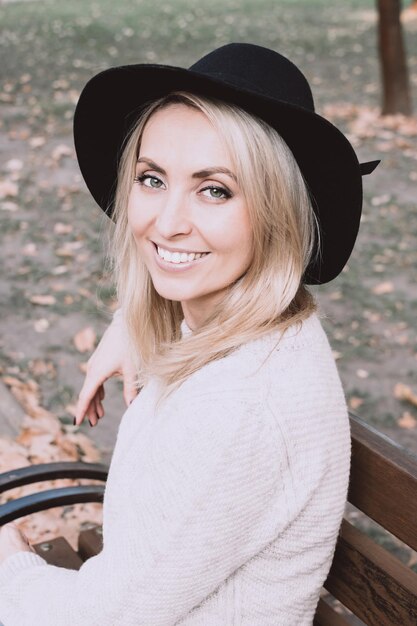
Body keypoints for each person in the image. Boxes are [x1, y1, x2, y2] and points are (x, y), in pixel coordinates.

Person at [0, 43, 379, 625]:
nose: (166, 221)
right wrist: (131, 321)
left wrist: (9, 567)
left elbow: (103, 617)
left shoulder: (241, 405)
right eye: (152, 179)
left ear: (278, 212)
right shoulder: (247, 327)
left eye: (215, 189)